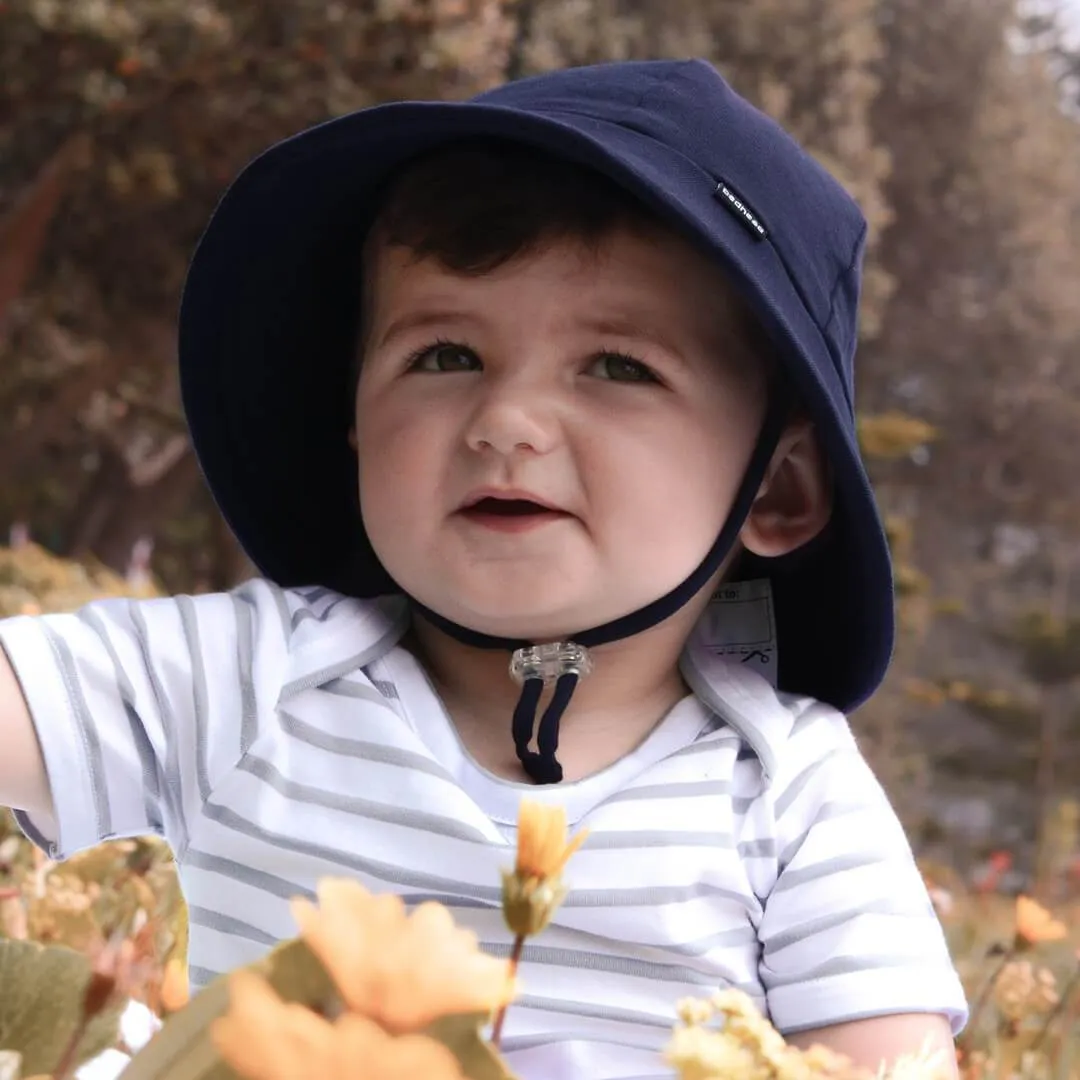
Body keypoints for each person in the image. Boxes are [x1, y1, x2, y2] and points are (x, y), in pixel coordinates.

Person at [0, 59, 967, 1079]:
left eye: (619, 366)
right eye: (446, 354)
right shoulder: (247, 677)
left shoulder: (787, 796)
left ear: (775, 490)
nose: (506, 420)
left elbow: (891, 1064)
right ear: (355, 426)